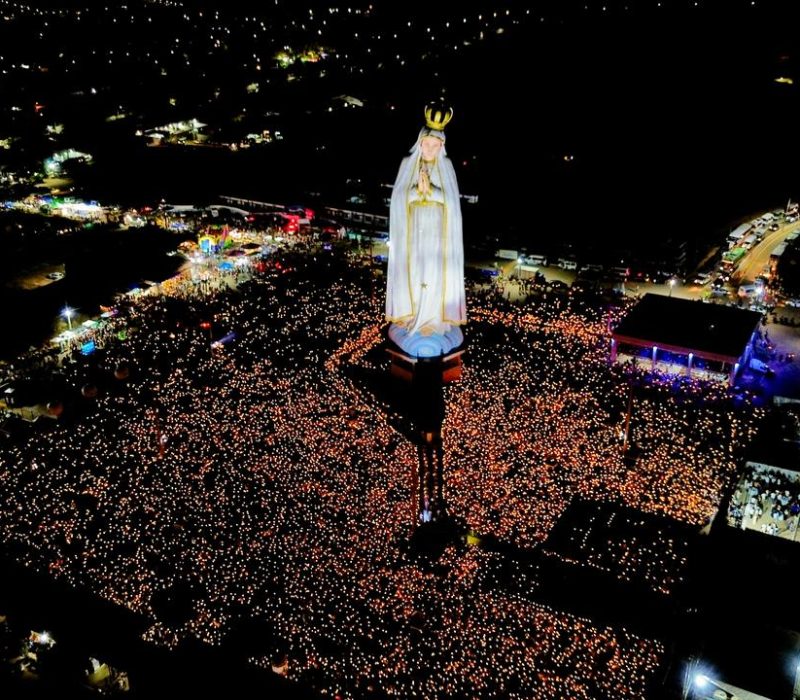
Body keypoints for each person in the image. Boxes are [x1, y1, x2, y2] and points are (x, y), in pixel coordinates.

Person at [385, 104, 466, 357]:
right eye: (426, 144)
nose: (430, 149)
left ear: (441, 147)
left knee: (434, 275)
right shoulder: (408, 164)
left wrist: (432, 192)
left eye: (435, 145)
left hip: (438, 237)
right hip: (414, 234)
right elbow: (398, 200)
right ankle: (414, 318)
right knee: (416, 273)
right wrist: (415, 192)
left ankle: (434, 320)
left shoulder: (446, 167)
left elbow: (452, 202)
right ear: (420, 143)